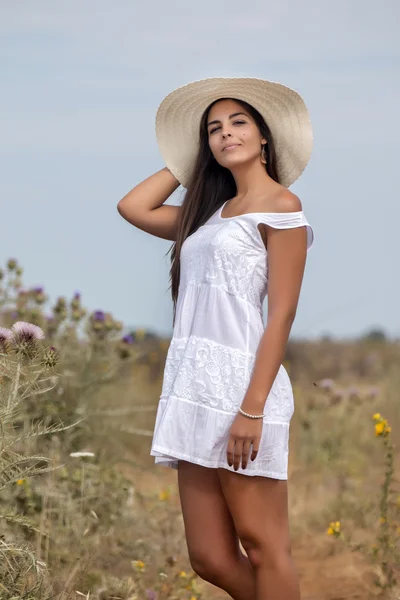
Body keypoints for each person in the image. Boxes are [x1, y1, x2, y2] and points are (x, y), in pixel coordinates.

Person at [117, 77, 314, 600]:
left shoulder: (282, 206)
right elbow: (134, 206)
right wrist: (189, 160)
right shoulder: (207, 216)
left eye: (239, 122)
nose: (227, 134)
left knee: (262, 542)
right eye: (214, 129)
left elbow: (282, 315)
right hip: (194, 388)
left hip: (245, 387)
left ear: (266, 136)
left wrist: (251, 408)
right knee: (208, 556)